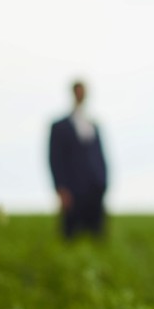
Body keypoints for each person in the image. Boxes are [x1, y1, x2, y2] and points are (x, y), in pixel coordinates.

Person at [49, 80, 109, 239]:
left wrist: (103, 182)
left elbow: (100, 156)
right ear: (73, 93)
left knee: (97, 235)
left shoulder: (93, 125)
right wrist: (60, 188)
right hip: (72, 189)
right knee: (70, 235)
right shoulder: (59, 126)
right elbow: (55, 159)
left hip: (94, 188)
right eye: (79, 91)